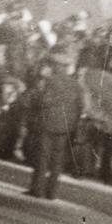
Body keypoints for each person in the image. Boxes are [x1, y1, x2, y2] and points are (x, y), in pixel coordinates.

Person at [27, 52, 88, 199]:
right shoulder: (76, 85)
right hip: (65, 126)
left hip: (47, 123)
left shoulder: (47, 81)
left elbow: (36, 100)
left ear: (55, 66)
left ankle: (37, 189)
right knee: (57, 159)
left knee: (42, 157)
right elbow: (82, 106)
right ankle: (52, 192)